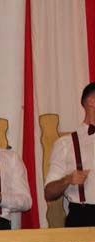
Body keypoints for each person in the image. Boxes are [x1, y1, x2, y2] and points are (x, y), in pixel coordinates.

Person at [45, 82, 95, 227]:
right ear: (91, 101)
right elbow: (49, 192)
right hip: (83, 218)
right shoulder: (66, 143)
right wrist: (68, 180)